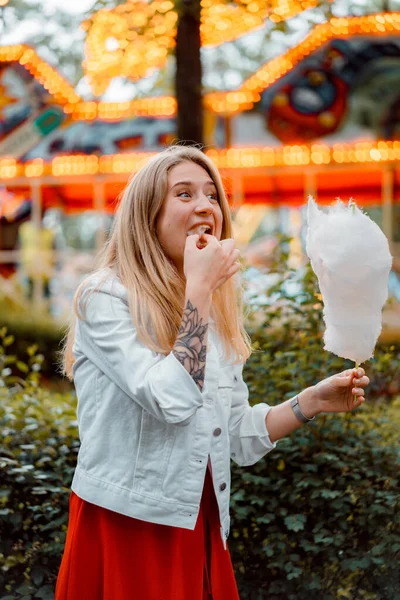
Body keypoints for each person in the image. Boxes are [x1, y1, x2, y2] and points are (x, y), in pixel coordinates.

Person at [55, 145, 369, 600]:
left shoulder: (211, 309)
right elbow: (170, 402)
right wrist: (198, 294)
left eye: (211, 195)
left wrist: (311, 401)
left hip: (199, 519)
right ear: (148, 215)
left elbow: (235, 435)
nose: (205, 206)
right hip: (128, 525)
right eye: (183, 194)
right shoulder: (105, 297)